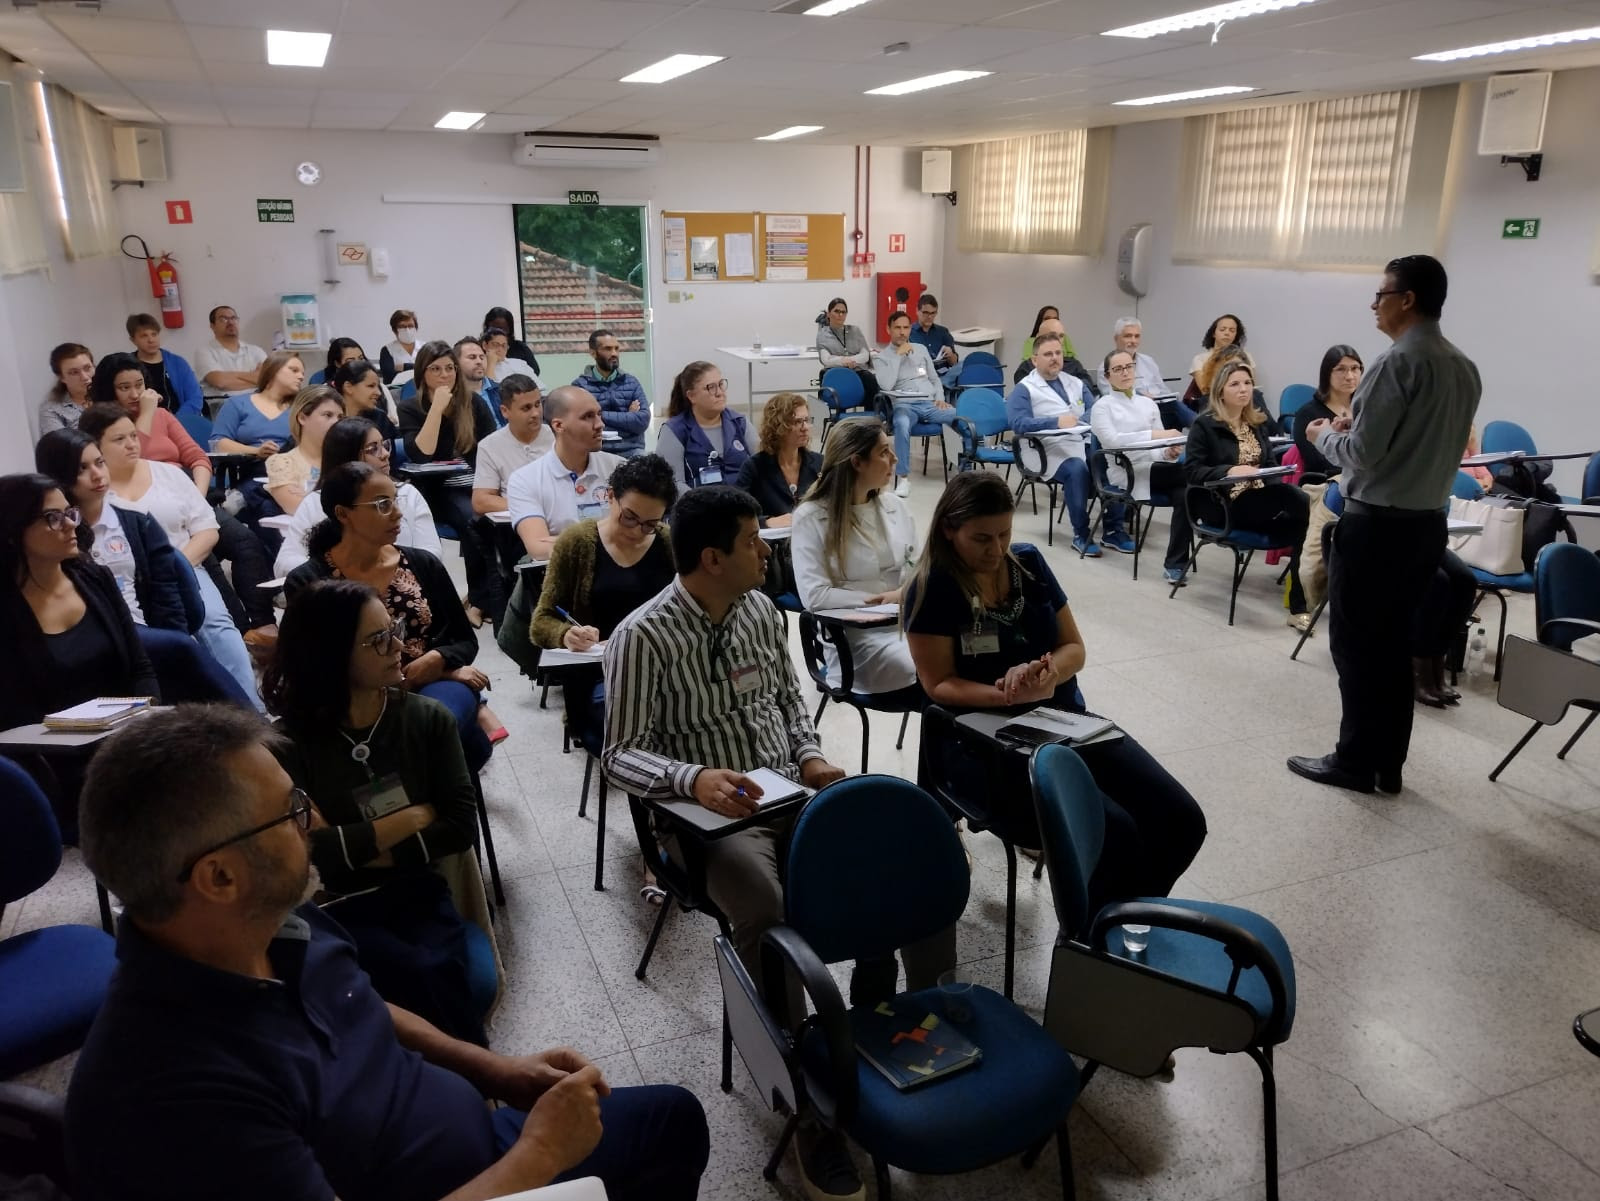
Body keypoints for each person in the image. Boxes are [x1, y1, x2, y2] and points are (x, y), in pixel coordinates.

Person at [65, 703, 710, 1201]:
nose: (314, 820)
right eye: (292, 811)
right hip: (480, 1177)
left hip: (477, 1144)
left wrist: (492, 1069)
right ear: (219, 878)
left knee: (672, 1120)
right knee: (666, 1127)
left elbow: (358, 1001)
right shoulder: (173, 1100)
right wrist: (540, 1155)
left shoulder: (272, 923)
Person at [603, 484, 932, 1201]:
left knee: (879, 867)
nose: (766, 550)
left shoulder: (757, 611)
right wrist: (693, 780)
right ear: (714, 556)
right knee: (766, 904)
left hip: (786, 790)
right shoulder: (644, 635)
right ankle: (804, 1096)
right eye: (754, 542)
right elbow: (620, 753)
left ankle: (875, 1022)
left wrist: (812, 758)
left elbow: (787, 701)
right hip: (707, 820)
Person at [903, 470, 1207, 916]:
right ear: (949, 530)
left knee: (1182, 820)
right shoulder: (930, 588)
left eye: (1004, 534)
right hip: (980, 740)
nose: (996, 550)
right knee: (1114, 831)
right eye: (981, 539)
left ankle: (1121, 923)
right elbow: (938, 685)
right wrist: (1006, 695)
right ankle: (1098, 938)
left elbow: (1074, 649)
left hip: (1059, 720)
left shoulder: (1027, 564)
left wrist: (1047, 675)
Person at [265, 580, 492, 1043]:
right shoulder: (286, 745)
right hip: (331, 906)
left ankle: (469, 1091)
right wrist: (412, 816)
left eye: (394, 629)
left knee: (427, 969)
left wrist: (352, 845)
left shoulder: (427, 721)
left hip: (417, 891)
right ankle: (476, 1087)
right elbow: (305, 853)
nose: (399, 646)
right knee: (411, 974)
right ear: (328, 655)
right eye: (378, 640)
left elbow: (459, 828)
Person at [1289, 254, 1481, 795]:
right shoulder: (1463, 366)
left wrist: (1324, 434)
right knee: (1395, 646)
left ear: (1408, 300)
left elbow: (1364, 455)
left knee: (1355, 647)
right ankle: (1387, 765)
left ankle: (1353, 761)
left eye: (1381, 294)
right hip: (1426, 525)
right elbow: (1418, 440)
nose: (1374, 304)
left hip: (1377, 529)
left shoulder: (1394, 363)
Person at [286, 462, 500, 766]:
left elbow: (465, 641)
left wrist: (438, 660)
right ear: (343, 514)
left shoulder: (423, 564)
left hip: (431, 685)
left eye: (395, 502)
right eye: (382, 505)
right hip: (352, 699)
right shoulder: (309, 582)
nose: (398, 513)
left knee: (429, 726)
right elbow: (311, 668)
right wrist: (423, 676)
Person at [36, 429, 251, 708]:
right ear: (59, 475)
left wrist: (170, 639)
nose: (98, 475)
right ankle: (251, 723)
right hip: (97, 633)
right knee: (181, 650)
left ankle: (251, 719)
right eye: (82, 468)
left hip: (141, 629)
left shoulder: (137, 523)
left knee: (186, 645)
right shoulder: (56, 535)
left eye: (100, 463)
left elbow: (169, 597)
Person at [83, 404, 264, 708]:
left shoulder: (167, 473)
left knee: (219, 625)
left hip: (187, 565)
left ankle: (251, 710)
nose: (131, 444)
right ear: (94, 447)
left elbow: (207, 529)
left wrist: (174, 566)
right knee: (170, 644)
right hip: (126, 580)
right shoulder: (93, 489)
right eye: (119, 439)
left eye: (133, 435)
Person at [0, 473, 160, 743]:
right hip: (47, 753)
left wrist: (146, 731)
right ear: (13, 531)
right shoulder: (6, 608)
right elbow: (14, 714)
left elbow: (140, 669)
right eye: (52, 517)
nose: (70, 525)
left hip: (126, 741)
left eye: (70, 513)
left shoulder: (96, 579)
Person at [533, 454, 677, 748]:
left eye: (650, 523)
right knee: (635, 731)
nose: (637, 531)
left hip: (662, 672)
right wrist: (566, 634)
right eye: (630, 517)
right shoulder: (577, 543)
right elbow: (541, 622)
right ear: (611, 497)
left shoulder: (667, 542)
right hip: (600, 678)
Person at [792, 416, 923, 703]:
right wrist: (888, 598)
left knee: (964, 659)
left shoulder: (895, 507)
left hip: (908, 623)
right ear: (856, 462)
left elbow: (919, 568)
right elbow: (815, 596)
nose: (894, 458)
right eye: (883, 452)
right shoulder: (811, 518)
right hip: (856, 640)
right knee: (931, 672)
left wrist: (908, 591)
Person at [1184, 361, 1311, 629]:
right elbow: (1193, 472)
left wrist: (1266, 474)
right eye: (1235, 384)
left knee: (1303, 518)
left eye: (1247, 383)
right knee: (1297, 505)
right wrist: (1230, 470)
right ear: (1220, 391)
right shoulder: (1204, 425)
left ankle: (1299, 604)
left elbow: (1266, 464)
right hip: (1223, 503)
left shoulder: (1255, 423)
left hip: (1259, 497)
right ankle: (1302, 595)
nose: (1244, 390)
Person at [1005, 331, 1135, 558]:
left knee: (1112, 457)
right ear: (1034, 360)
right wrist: (1055, 421)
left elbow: (1095, 409)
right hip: (1045, 448)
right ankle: (1081, 534)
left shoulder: (1075, 382)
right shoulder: (1025, 388)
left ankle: (1113, 530)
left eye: (1058, 352)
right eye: (1048, 354)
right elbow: (1017, 423)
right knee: (1077, 469)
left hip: (1079, 439)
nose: (1055, 357)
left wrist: (1082, 420)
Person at [397, 340, 500, 625]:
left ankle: (494, 596)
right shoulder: (410, 407)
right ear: (423, 373)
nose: (445, 375)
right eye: (436, 369)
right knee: (473, 519)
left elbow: (490, 447)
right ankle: (479, 602)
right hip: (438, 488)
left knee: (497, 517)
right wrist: (436, 409)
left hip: (476, 481)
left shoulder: (473, 402)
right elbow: (422, 451)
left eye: (450, 368)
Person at [276, 416, 441, 578]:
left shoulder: (408, 494)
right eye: (372, 449)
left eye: (384, 445)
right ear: (347, 456)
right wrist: (340, 570)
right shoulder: (315, 502)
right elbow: (284, 563)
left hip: (401, 582)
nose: (384, 454)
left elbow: (431, 554)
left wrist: (386, 569)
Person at [1090, 349, 1193, 585]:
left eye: (1129, 366)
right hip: (1125, 470)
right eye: (1118, 369)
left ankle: (1174, 565)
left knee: (1186, 493)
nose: (1125, 372)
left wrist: (1168, 451)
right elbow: (1114, 442)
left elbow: (1157, 448)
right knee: (1189, 475)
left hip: (1155, 468)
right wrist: (1156, 434)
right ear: (1107, 376)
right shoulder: (1102, 407)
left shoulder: (1148, 404)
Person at [507, 386, 623, 562]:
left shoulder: (619, 468)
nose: (600, 424)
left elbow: (634, 534)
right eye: (588, 416)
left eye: (599, 414)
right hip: (565, 576)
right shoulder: (524, 480)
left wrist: (562, 540)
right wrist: (607, 538)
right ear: (559, 425)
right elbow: (538, 548)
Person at [87, 352, 213, 493]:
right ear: (109, 390)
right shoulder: (100, 421)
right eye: (125, 388)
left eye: (139, 385)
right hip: (142, 493)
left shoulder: (161, 414)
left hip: (183, 486)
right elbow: (136, 456)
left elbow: (198, 458)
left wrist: (199, 496)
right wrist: (147, 413)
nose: (135, 394)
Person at [871, 311, 959, 499]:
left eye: (906, 327)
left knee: (960, 416)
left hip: (929, 403)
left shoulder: (920, 349)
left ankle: (966, 469)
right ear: (888, 329)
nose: (903, 332)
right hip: (904, 406)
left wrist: (940, 397)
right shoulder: (881, 357)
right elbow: (886, 385)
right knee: (901, 424)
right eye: (898, 328)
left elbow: (935, 379)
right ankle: (903, 478)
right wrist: (898, 357)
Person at [656, 361, 752, 490]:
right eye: (711, 387)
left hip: (746, 505)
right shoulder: (674, 431)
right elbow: (673, 485)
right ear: (691, 396)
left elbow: (764, 468)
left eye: (721, 384)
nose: (719, 393)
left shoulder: (740, 423)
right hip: (698, 506)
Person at [735, 391, 822, 529]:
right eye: (797, 422)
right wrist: (766, 522)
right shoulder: (755, 467)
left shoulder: (819, 463)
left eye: (807, 420)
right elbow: (736, 514)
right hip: (772, 544)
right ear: (778, 426)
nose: (805, 428)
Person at [472, 375, 553, 517]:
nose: (535, 413)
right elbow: (481, 501)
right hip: (514, 524)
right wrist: (530, 505)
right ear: (505, 411)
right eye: (526, 408)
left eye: (537, 404)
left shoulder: (559, 436)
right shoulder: (489, 446)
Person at [265, 386, 345, 516]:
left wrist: (309, 497)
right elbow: (300, 509)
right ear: (302, 418)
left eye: (340, 417)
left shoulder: (347, 457)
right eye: (328, 415)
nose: (336, 422)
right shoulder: (282, 462)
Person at [211, 350, 302, 459]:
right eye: (294, 370)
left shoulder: (302, 409)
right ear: (273, 370)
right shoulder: (237, 404)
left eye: (302, 373)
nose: (301, 377)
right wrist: (256, 451)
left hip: (294, 469)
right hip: (251, 468)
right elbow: (218, 444)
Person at [573, 328, 649, 457]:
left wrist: (598, 415)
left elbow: (642, 421)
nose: (614, 353)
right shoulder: (581, 386)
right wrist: (627, 416)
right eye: (607, 349)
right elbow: (580, 425)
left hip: (631, 449)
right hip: (597, 452)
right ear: (593, 353)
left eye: (616, 348)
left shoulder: (631, 382)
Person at [1293, 345, 1363, 477]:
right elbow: (1317, 462)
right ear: (1327, 374)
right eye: (1340, 369)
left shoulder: (1365, 409)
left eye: (1355, 368)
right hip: (1326, 484)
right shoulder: (1307, 414)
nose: (1349, 376)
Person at [126, 312, 204, 417]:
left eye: (154, 334)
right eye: (144, 336)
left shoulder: (178, 363)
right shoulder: (127, 365)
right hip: (144, 420)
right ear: (133, 340)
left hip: (180, 420)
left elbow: (195, 397)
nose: (151, 340)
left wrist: (177, 420)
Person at [192, 305, 267, 405]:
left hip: (257, 405)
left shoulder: (256, 350)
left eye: (233, 318)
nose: (230, 322)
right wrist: (255, 377)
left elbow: (269, 379)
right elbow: (220, 382)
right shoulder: (204, 352)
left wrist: (229, 377)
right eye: (223, 319)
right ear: (212, 326)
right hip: (222, 406)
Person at [814, 297, 879, 410]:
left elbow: (865, 355)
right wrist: (843, 362)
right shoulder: (823, 334)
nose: (840, 315)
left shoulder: (855, 330)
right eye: (836, 311)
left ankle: (872, 418)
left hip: (857, 369)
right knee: (839, 382)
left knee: (870, 379)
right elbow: (826, 359)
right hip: (836, 372)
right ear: (829, 314)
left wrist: (851, 360)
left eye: (843, 312)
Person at [1012, 315, 1097, 397]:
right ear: (1038, 337)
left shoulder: (1073, 364)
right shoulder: (1026, 368)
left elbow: (1087, 388)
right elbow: (1027, 395)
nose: (1057, 340)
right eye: (1052, 335)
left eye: (1061, 336)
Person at [333, 355, 400, 442]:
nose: (379, 393)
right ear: (348, 387)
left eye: (378, 386)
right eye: (371, 386)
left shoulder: (380, 418)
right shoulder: (330, 421)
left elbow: (389, 453)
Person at [39, 342, 96, 437]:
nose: (85, 377)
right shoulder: (52, 410)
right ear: (61, 377)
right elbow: (61, 445)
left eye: (87, 368)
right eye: (74, 372)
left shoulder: (110, 394)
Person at [909, 293, 961, 389]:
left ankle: (941, 384)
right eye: (926, 313)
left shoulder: (943, 332)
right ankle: (940, 385)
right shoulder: (909, 333)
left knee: (964, 364)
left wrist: (950, 355)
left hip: (943, 372)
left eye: (933, 313)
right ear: (917, 311)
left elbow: (954, 363)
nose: (929, 317)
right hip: (922, 373)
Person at [482, 304, 541, 377]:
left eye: (503, 329)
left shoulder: (520, 349)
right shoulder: (477, 350)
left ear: (510, 330)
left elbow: (535, 372)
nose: (499, 333)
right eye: (494, 329)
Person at [455, 335, 500, 419]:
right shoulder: (451, 396)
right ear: (456, 362)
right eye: (472, 357)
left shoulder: (500, 390)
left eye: (482, 357)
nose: (479, 361)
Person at [379, 308, 420, 384]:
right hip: (397, 391)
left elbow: (431, 369)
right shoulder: (387, 350)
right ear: (395, 330)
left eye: (410, 326)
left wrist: (404, 366)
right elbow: (389, 376)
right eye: (402, 327)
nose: (407, 330)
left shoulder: (425, 347)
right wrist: (419, 367)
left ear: (416, 328)